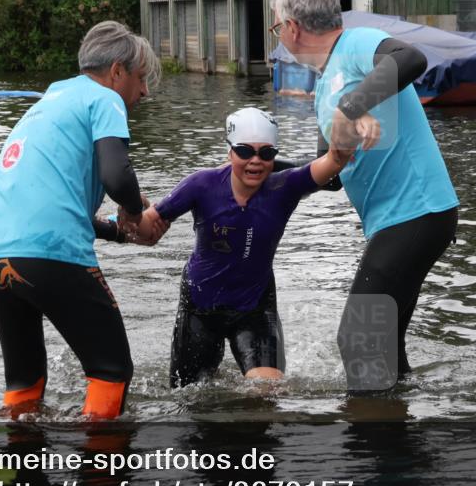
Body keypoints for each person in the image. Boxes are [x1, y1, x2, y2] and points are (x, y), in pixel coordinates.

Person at [269, 0, 459, 392]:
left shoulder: (354, 43)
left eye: (275, 27)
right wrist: (262, 166)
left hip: (418, 214)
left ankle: (374, 444)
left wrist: (351, 107)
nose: (277, 36)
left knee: (360, 338)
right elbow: (330, 174)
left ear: (291, 28)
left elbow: (410, 59)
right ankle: (399, 439)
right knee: (381, 342)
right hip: (399, 222)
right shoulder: (324, 88)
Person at [0, 20, 165, 419]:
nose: (144, 91)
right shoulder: (104, 98)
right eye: (141, 78)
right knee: (111, 370)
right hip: (51, 256)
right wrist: (134, 213)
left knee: (25, 379)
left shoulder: (49, 102)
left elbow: (54, 207)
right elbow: (117, 176)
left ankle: (24, 474)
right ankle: (101, 474)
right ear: (117, 71)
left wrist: (116, 231)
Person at [142, 107, 347, 388]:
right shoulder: (201, 184)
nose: (255, 161)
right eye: (244, 151)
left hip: (254, 307)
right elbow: (148, 226)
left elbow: (335, 160)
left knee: (267, 394)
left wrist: (346, 115)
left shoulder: (285, 187)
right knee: (186, 399)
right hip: (200, 308)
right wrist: (129, 214)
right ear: (229, 151)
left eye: (266, 154)